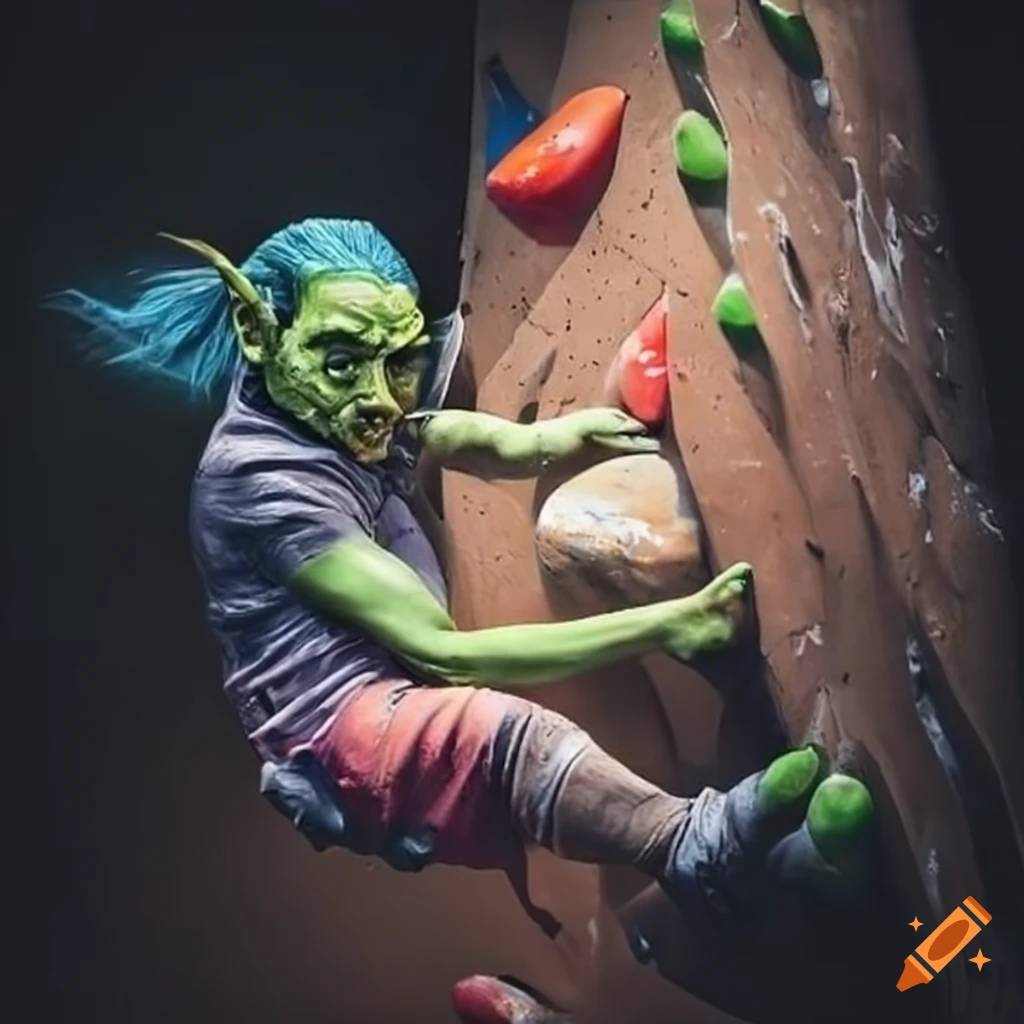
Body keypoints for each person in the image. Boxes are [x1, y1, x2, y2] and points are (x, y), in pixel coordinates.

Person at [47, 217, 872, 947]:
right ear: (259, 333)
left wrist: (547, 441)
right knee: (500, 737)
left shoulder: (316, 397)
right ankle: (691, 848)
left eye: (398, 361)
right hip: (336, 730)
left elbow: (430, 430)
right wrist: (670, 624)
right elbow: (443, 654)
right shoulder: (259, 488)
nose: (379, 398)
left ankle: (783, 867)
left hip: (376, 679)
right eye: (345, 362)